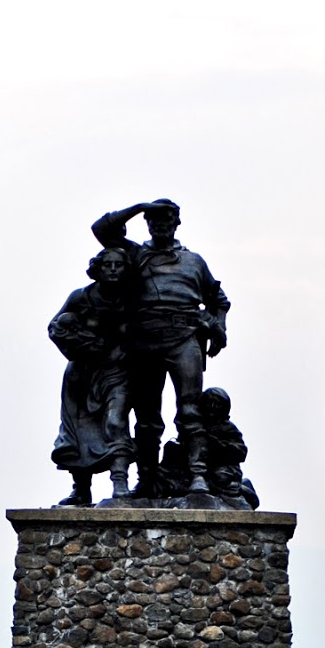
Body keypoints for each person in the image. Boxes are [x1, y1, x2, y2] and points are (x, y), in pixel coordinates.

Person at [91, 200, 229, 496]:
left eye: (166, 219)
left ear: (177, 223)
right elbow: (102, 229)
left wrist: (219, 329)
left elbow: (218, 300)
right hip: (145, 338)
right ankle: (147, 477)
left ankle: (198, 476)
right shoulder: (136, 254)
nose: (160, 224)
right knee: (146, 416)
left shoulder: (194, 262)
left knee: (190, 410)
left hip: (184, 337)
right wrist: (139, 206)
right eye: (153, 220)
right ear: (148, 224)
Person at [47, 247, 134, 505]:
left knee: (116, 422)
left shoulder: (132, 299)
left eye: (119, 264)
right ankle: (81, 488)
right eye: (108, 264)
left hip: (116, 372)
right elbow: (54, 327)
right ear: (98, 268)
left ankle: (121, 483)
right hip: (81, 374)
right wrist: (81, 345)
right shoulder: (80, 297)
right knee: (76, 430)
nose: (113, 269)